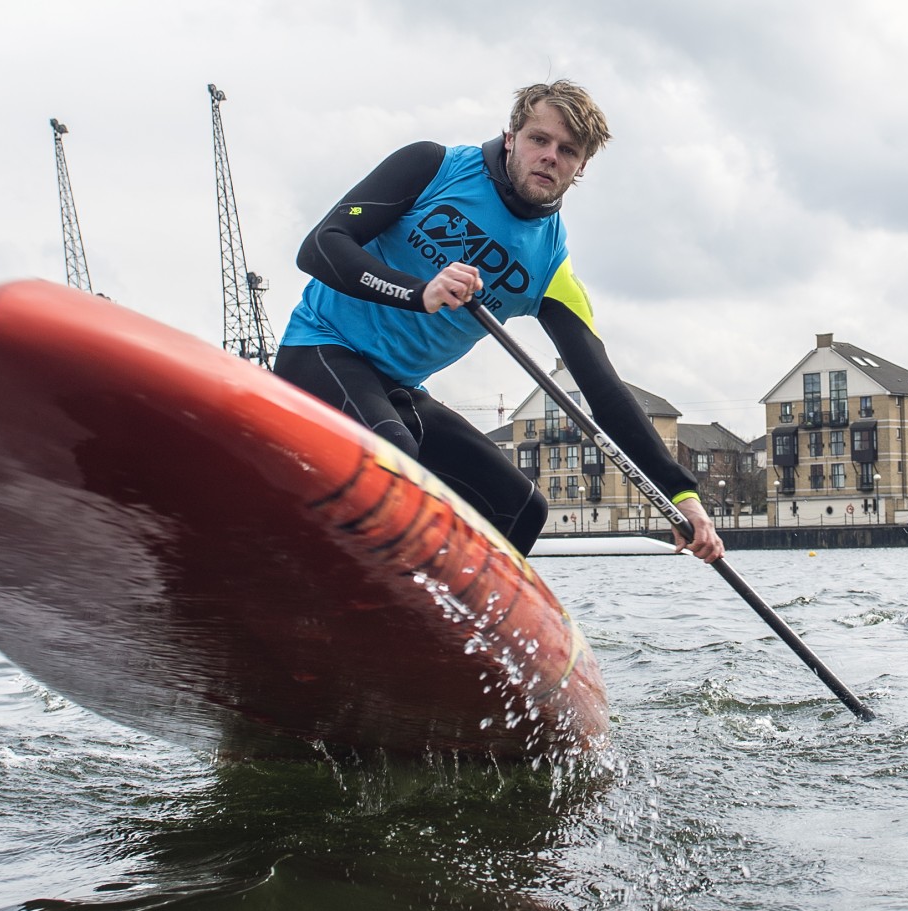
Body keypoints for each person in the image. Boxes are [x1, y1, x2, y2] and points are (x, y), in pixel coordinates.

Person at [274, 80, 722, 562]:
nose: (550, 156)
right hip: (321, 347)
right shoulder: (432, 166)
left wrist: (683, 495)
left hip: (397, 391)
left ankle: (448, 628)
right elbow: (321, 245)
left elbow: (605, 391)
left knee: (522, 505)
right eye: (539, 139)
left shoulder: (550, 269)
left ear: (581, 166)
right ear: (511, 137)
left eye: (567, 150)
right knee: (393, 453)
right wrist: (418, 292)